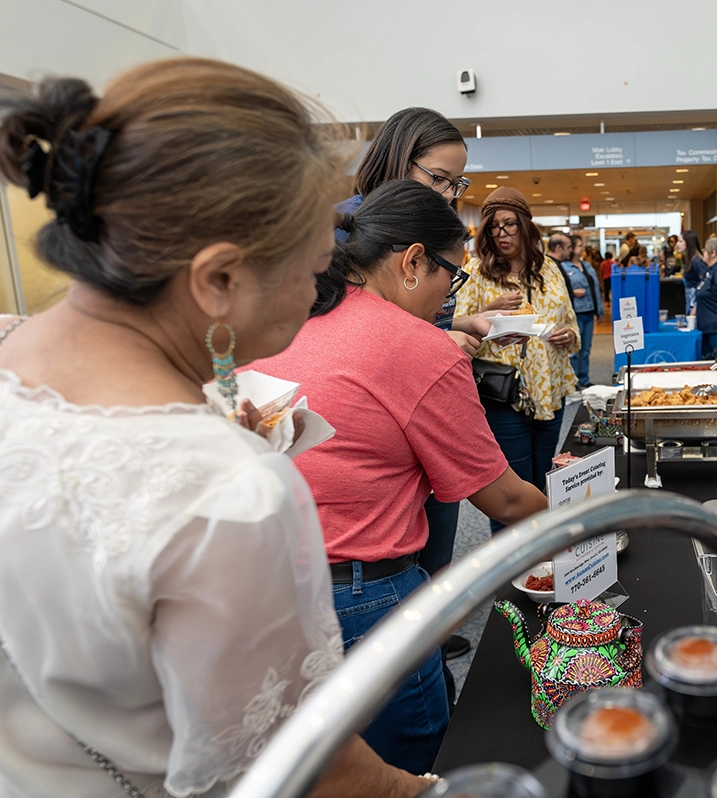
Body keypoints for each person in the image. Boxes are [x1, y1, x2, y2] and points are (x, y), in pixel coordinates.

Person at [0, 58, 430, 798]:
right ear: (219, 279)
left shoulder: (11, 353)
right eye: (313, 272)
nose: (313, 297)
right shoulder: (230, 489)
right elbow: (292, 764)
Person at [254, 180, 548, 771]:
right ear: (413, 261)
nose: (450, 297)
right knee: (406, 764)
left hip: (267, 591)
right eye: (450, 276)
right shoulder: (417, 345)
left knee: (310, 765)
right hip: (366, 597)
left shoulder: (280, 320)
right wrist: (582, 515)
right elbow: (507, 501)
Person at [342, 106, 488, 662]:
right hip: (374, 407)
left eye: (458, 183)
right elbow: (339, 330)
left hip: (418, 391)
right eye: (439, 179)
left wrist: (449, 331)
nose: (449, 195)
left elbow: (420, 317)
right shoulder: (347, 230)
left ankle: (426, 626)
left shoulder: (424, 228)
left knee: (438, 525)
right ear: (399, 160)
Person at [455, 188, 579, 530]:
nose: (501, 234)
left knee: (542, 482)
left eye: (509, 224)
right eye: (493, 227)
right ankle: (512, 571)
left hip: (550, 394)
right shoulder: (478, 272)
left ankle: (542, 563)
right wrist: (488, 313)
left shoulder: (550, 269)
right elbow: (452, 330)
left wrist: (569, 335)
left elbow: (571, 324)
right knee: (511, 493)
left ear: (525, 225)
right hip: (504, 396)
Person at [554, 233, 603, 388]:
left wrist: (599, 310)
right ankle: (573, 382)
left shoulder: (587, 266)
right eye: (579, 245)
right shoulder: (563, 267)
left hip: (589, 311)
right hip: (575, 313)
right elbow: (561, 290)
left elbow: (596, 288)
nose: (582, 248)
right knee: (574, 350)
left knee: (586, 350)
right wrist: (573, 293)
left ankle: (584, 380)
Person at [680, 229, 706, 313]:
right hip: (690, 295)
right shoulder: (688, 259)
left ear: (688, 243)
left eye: (680, 241)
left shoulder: (696, 260)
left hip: (695, 297)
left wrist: (696, 303)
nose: (677, 244)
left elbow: (705, 280)